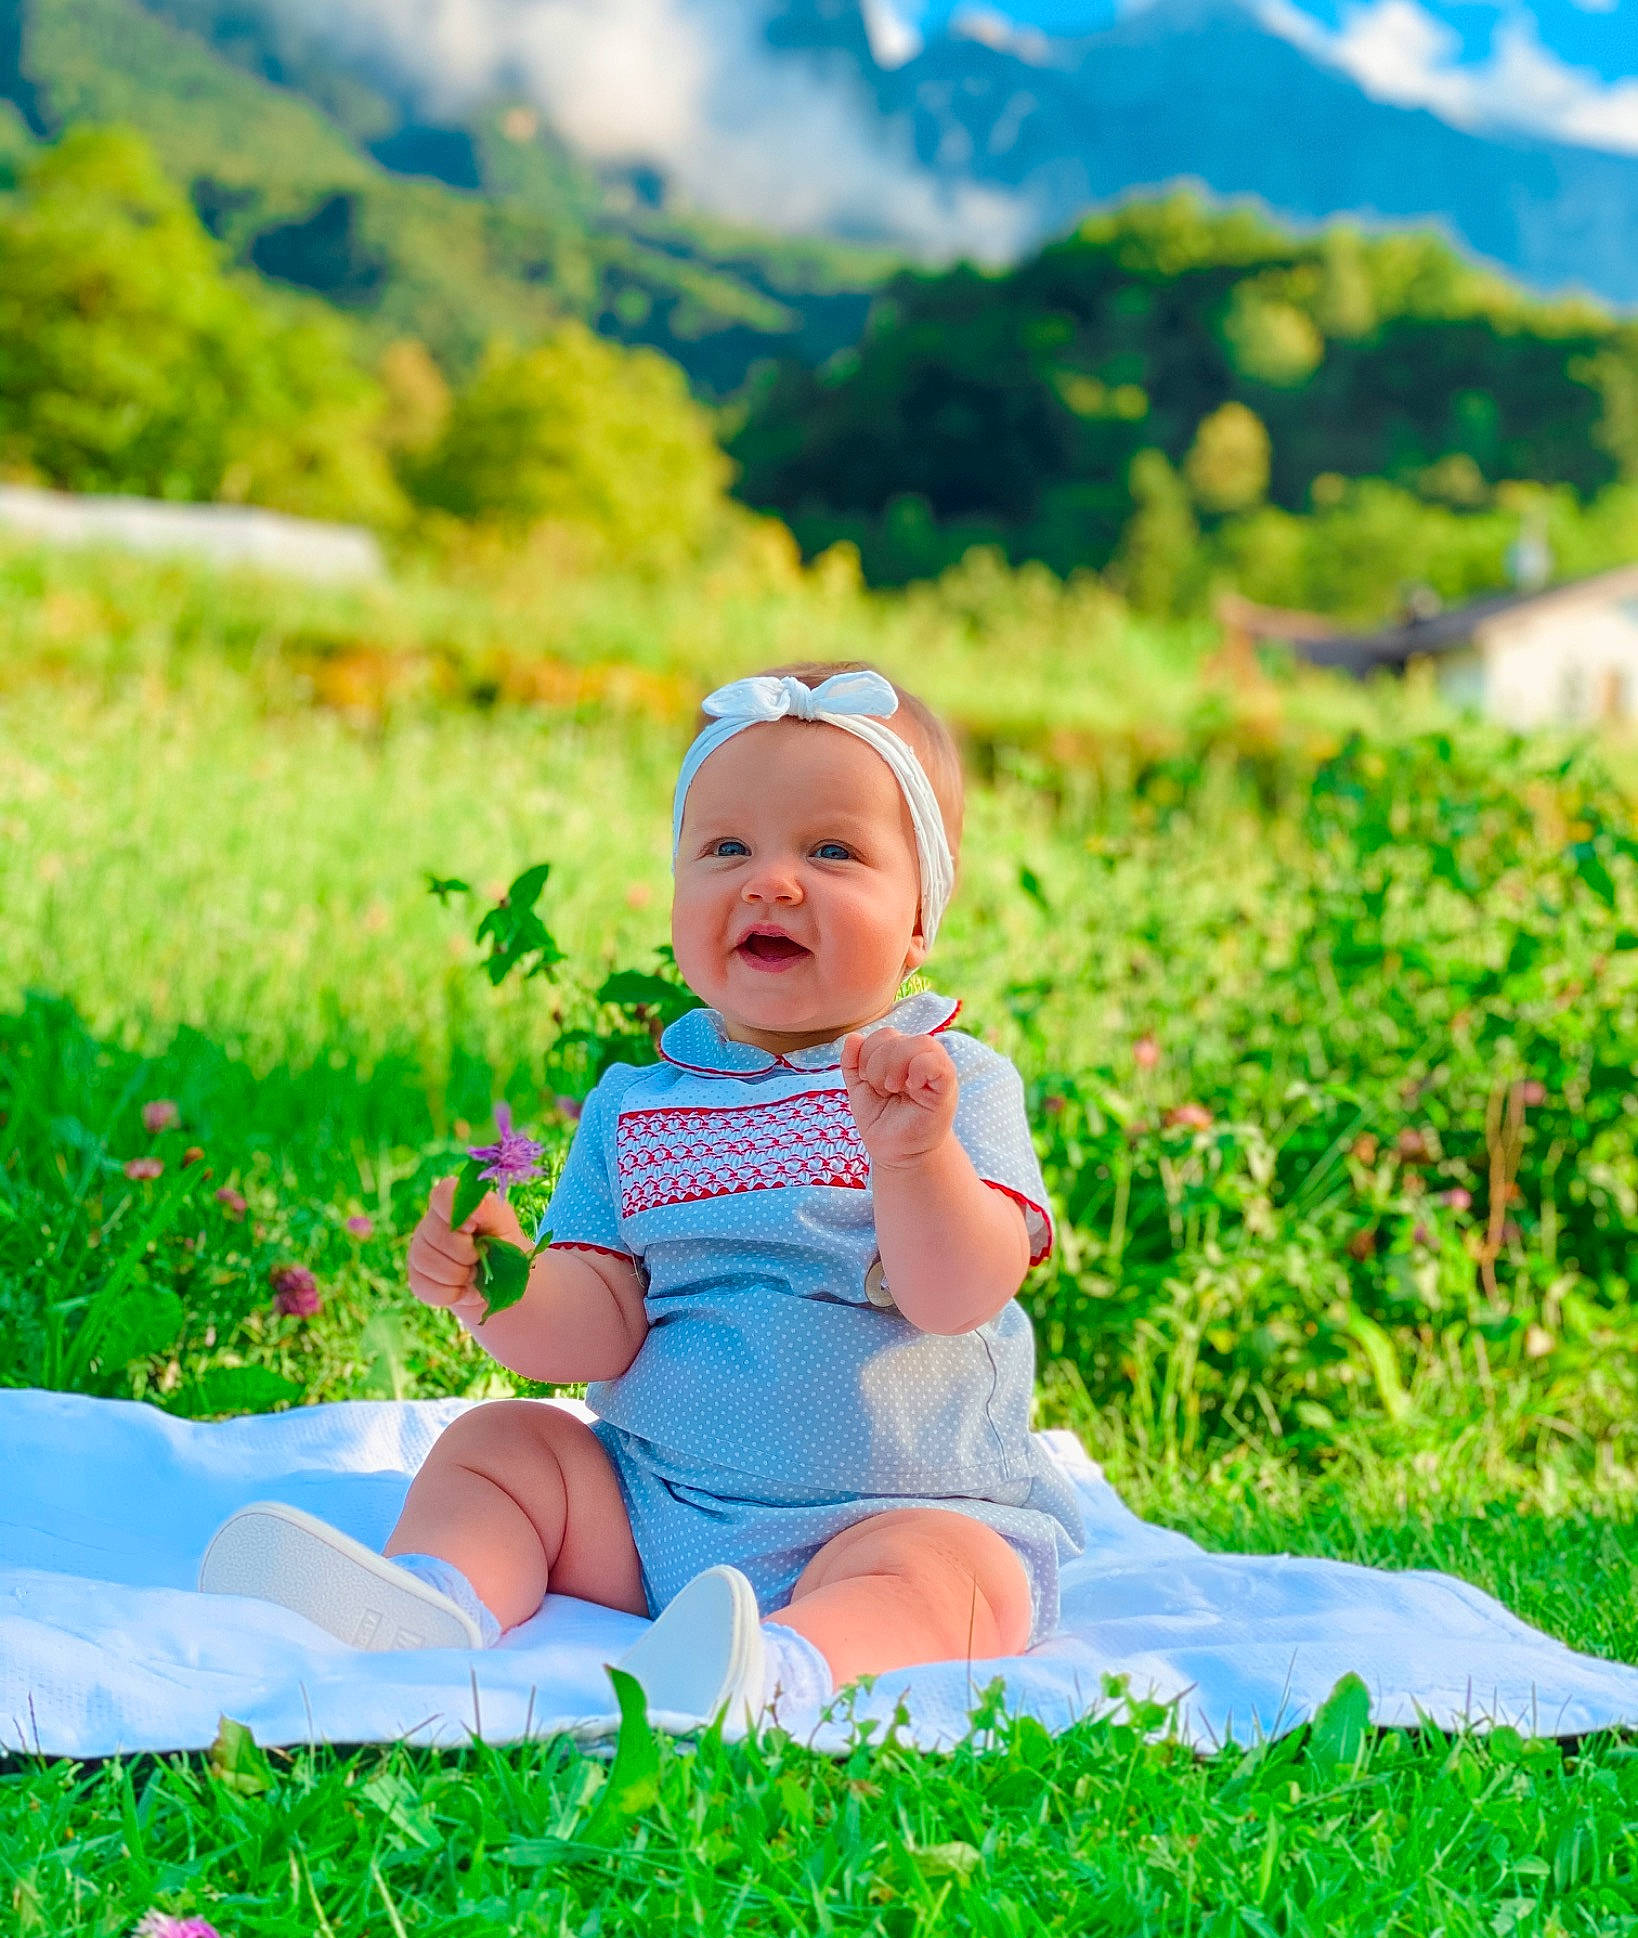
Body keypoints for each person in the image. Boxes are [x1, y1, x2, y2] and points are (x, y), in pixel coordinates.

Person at [200, 664, 1085, 1729]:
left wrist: (913, 1160)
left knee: (953, 1579)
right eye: (726, 848)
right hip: (658, 1512)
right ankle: (437, 1598)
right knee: (506, 1444)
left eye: (832, 851)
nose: (771, 882)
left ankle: (785, 1666)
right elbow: (601, 1323)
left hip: (894, 1504)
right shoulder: (639, 1105)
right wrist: (500, 1286)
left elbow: (958, 1294)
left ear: (917, 921)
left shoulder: (945, 1085)